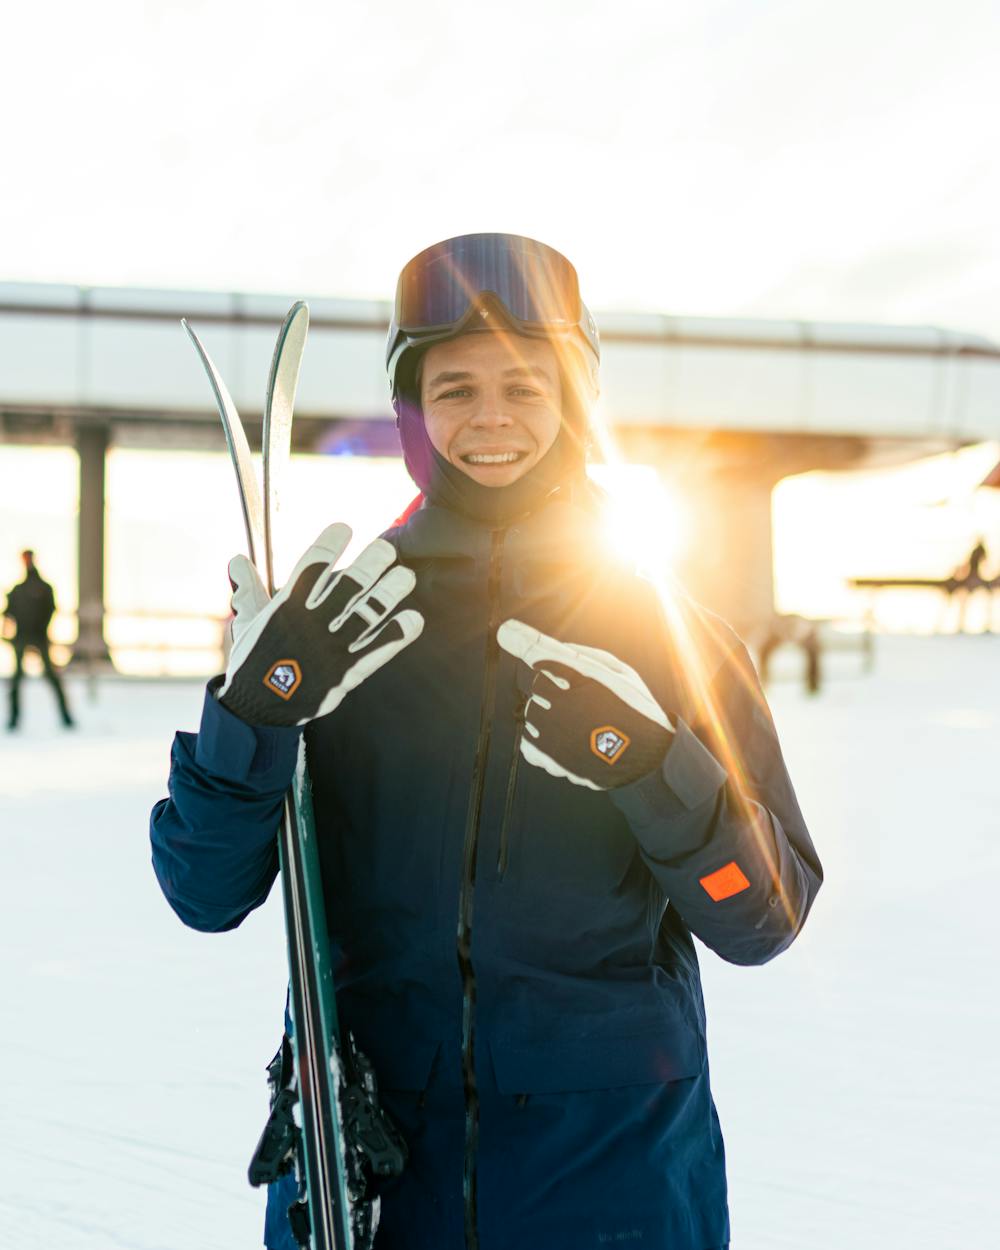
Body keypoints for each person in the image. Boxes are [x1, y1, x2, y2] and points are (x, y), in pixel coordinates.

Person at [150, 233, 823, 1250]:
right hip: (370, 1166)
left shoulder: (670, 631)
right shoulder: (343, 622)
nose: (492, 416)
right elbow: (204, 890)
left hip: (614, 1176)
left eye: (525, 383)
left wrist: (649, 766)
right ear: (413, 410)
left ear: (575, 401)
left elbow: (759, 916)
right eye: (454, 386)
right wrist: (257, 708)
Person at [4, 549, 74, 730]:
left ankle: (66, 718)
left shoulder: (42, 588)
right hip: (23, 637)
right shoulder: (18, 589)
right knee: (17, 680)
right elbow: (9, 613)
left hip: (38, 637)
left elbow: (50, 609)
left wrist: (41, 629)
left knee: (50, 677)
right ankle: (13, 720)